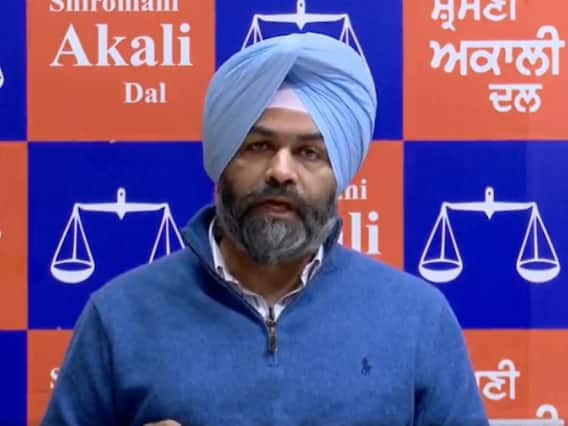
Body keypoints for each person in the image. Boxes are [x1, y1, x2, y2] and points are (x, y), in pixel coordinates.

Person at [42, 32, 489, 426]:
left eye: (309, 153)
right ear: (222, 162)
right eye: (258, 146)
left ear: (340, 175)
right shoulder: (119, 316)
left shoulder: (417, 319)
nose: (281, 171)